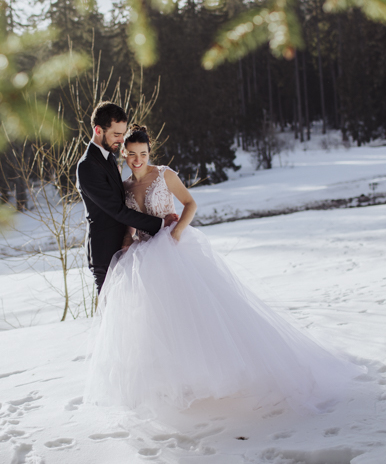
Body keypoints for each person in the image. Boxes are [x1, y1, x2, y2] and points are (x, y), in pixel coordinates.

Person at [84, 125, 363, 413]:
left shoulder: (164, 174)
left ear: (149, 152)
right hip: (145, 257)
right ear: (125, 156)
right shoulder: (126, 186)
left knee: (199, 313)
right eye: (131, 154)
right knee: (159, 321)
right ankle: (175, 382)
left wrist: (178, 230)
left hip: (172, 249)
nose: (137, 159)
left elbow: (190, 203)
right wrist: (128, 240)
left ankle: (230, 371)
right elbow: (128, 220)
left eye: (142, 153)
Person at [76, 102, 179, 294]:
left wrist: (128, 236)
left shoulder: (108, 156)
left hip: (125, 249)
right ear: (98, 130)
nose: (122, 139)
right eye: (117, 134)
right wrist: (161, 224)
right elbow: (117, 210)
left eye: (123, 134)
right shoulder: (88, 166)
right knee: (112, 318)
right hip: (106, 253)